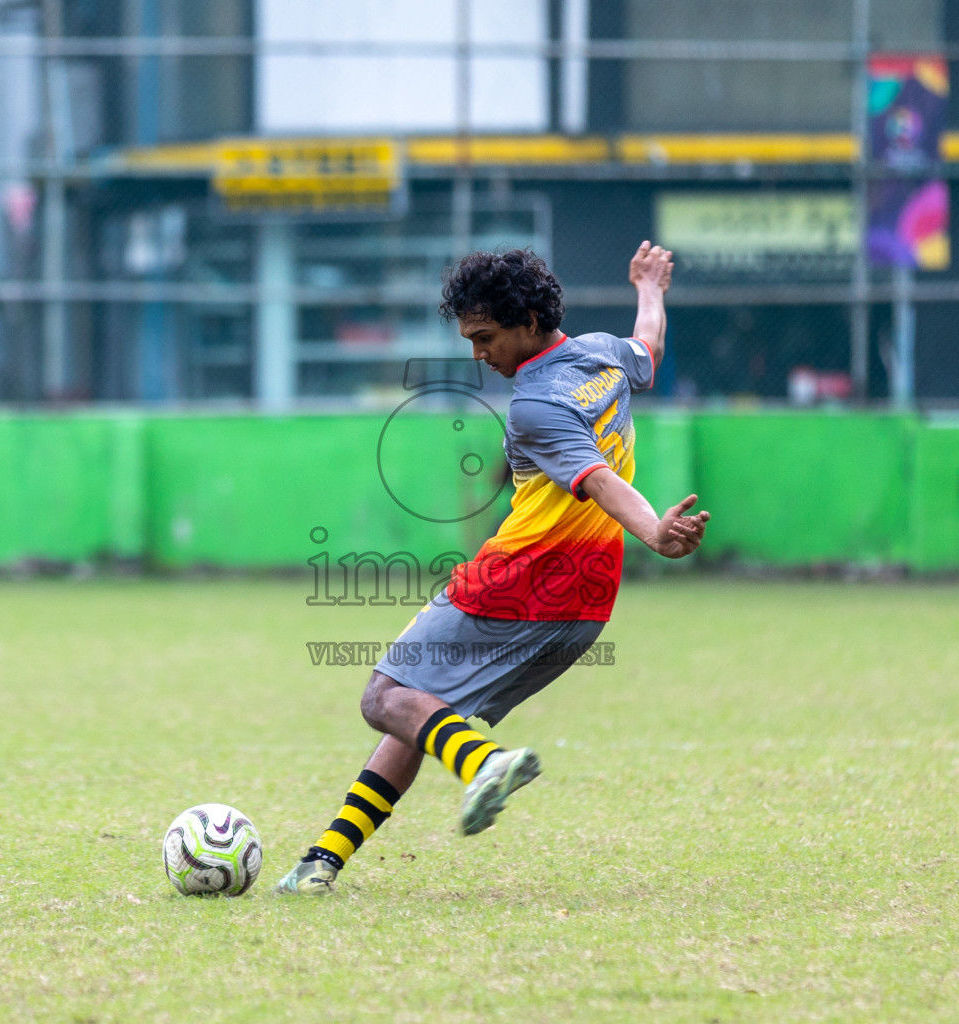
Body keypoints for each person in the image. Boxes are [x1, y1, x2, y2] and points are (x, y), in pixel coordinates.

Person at [274, 243, 710, 896]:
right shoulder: (602, 354)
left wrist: (653, 530)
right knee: (421, 708)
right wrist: (651, 289)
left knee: (383, 697)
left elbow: (595, 480)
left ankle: (486, 763)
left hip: (521, 580)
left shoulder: (536, 405)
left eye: (485, 338)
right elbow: (647, 348)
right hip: (586, 605)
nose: (478, 355)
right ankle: (322, 862)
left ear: (530, 320)